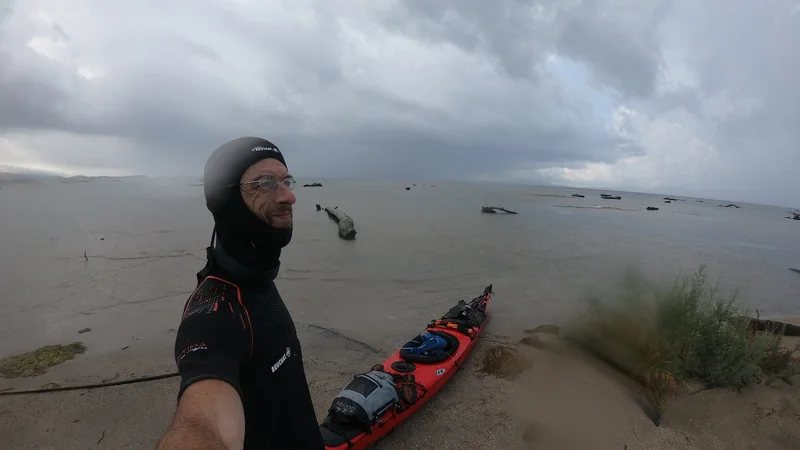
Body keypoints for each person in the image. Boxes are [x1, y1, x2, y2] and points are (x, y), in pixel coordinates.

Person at [157, 137, 325, 450]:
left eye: (286, 181)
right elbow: (201, 419)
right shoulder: (214, 313)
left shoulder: (255, 279)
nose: (289, 196)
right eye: (265, 183)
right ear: (227, 199)